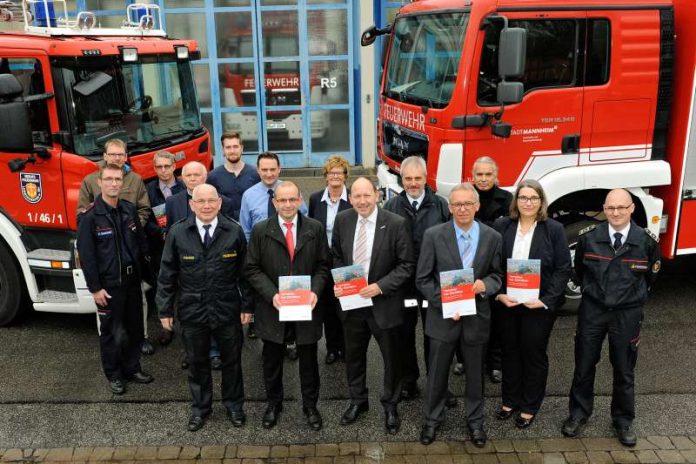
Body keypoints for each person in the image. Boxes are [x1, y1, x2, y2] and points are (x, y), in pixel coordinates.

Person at [561, 189, 660, 447]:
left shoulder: (646, 241)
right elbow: (579, 272)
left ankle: (623, 420)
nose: (615, 213)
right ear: (604, 209)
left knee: (624, 368)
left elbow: (650, 277)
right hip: (593, 311)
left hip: (627, 314)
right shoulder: (589, 237)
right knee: (583, 364)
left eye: (621, 207)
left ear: (631, 209)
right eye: (610, 208)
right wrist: (593, 294)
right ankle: (578, 413)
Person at [156, 183, 253, 432]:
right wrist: (164, 310)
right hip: (192, 309)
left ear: (220, 203)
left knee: (232, 361)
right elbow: (167, 274)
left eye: (212, 200)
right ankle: (200, 409)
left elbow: (245, 273)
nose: (207, 205)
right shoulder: (178, 233)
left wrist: (247, 305)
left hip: (227, 307)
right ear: (192, 204)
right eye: (201, 201)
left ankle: (234, 406)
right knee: (197, 362)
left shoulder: (233, 231)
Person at [416, 182, 503, 447]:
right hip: (443, 317)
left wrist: (485, 285)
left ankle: (475, 422)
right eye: (457, 204)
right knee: (437, 373)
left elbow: (498, 275)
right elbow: (423, 279)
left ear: (477, 206)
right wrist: (446, 304)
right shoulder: (433, 235)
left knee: (475, 374)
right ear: (450, 207)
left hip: (476, 316)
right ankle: (432, 420)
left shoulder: (492, 237)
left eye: (467, 204)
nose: (462, 209)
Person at [332, 177, 415, 435]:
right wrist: (340, 281)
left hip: (384, 304)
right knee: (354, 358)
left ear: (377, 195)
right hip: (352, 304)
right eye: (356, 196)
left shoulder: (396, 223)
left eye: (367, 195)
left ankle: (390, 404)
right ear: (350, 198)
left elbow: (406, 265)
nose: (362, 201)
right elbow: (335, 254)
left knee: (392, 359)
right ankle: (358, 401)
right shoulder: (343, 220)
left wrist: (380, 286)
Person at [245, 181, 330, 431]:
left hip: (307, 307)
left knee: (308, 360)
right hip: (273, 307)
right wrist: (272, 295)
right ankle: (274, 404)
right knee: (271, 360)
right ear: (274, 203)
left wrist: (315, 290)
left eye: (292, 199)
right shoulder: (261, 230)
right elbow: (251, 268)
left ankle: (310, 405)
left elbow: (324, 265)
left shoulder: (314, 228)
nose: (288, 204)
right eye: (282, 200)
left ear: (300, 199)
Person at [492, 180, 571, 428]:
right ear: (516, 201)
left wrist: (547, 301)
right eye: (523, 197)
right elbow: (493, 264)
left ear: (541, 202)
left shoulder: (554, 229)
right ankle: (510, 399)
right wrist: (499, 294)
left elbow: (562, 269)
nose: (528, 202)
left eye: (533, 198)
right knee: (510, 352)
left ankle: (529, 405)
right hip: (508, 303)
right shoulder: (502, 225)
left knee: (533, 353)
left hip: (538, 305)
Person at [76, 163, 154, 395]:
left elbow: (140, 244)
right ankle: (114, 374)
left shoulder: (128, 209)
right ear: (99, 182)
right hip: (109, 286)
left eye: (117, 179)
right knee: (112, 333)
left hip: (132, 282)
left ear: (122, 182)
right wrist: (95, 288)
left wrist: (145, 273)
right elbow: (87, 256)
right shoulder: (90, 217)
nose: (113, 183)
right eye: (108, 179)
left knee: (134, 329)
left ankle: (132, 368)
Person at [383, 156, 450, 401]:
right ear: (402, 179)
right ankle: (409, 381)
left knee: (436, 335)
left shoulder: (441, 205)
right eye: (408, 178)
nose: (413, 183)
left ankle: (438, 383)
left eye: (417, 178)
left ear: (426, 177)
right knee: (404, 335)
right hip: (403, 285)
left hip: (432, 283)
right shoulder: (391, 207)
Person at [165, 160, 234, 370]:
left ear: (205, 177)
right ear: (182, 178)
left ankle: (214, 352)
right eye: (189, 175)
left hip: (216, 266)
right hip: (188, 272)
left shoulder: (225, 204)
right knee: (191, 319)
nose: (193, 179)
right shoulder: (172, 202)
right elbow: (169, 233)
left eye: (197, 175)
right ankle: (192, 352)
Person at [239, 152, 307, 350]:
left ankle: (291, 341)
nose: (269, 174)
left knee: (292, 297)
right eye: (264, 169)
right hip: (263, 258)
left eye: (272, 169)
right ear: (258, 170)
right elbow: (246, 229)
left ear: (279, 169)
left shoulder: (290, 191)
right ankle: (271, 342)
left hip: (291, 254)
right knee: (269, 299)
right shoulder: (249, 195)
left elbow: (304, 220)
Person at [470, 156, 512, 383]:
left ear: (496, 176)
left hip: (496, 265)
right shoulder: (465, 197)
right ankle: (464, 359)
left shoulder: (507, 200)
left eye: (488, 174)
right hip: (470, 265)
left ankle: (495, 363)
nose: (484, 179)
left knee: (496, 318)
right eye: (479, 174)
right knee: (467, 315)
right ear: (472, 176)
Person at [308, 155, 352, 365]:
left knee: (345, 306)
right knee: (327, 308)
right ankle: (332, 348)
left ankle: (346, 347)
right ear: (326, 176)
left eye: (339, 172)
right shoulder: (316, 199)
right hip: (323, 261)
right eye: (331, 173)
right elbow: (311, 229)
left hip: (346, 262)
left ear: (345, 176)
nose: (335, 176)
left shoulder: (353, 198)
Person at [144, 151, 184, 347]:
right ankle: (167, 328)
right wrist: (158, 231)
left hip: (183, 247)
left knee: (184, 289)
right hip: (160, 248)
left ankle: (185, 327)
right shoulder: (148, 190)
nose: (163, 170)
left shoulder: (184, 187)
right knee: (164, 288)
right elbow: (144, 218)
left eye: (167, 166)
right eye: (159, 167)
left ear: (174, 166)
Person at [77, 138, 151, 227]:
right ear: (105, 156)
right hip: (103, 235)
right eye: (112, 154)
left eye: (120, 154)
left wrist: (133, 228)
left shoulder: (136, 179)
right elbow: (82, 212)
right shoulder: (90, 181)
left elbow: (144, 209)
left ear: (125, 157)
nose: (117, 158)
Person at [207, 132, 260, 221]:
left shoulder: (255, 174)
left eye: (235, 147)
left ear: (241, 148)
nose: (232, 151)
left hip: (251, 225)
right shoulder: (213, 176)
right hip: (224, 228)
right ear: (223, 150)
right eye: (228, 147)